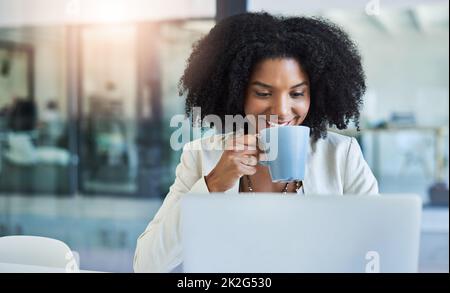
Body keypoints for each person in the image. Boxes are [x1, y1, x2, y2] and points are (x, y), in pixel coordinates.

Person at [134, 12, 379, 272]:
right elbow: (148, 265)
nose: (282, 110)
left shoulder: (342, 156)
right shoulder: (201, 156)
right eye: (263, 93)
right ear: (237, 92)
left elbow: (380, 251)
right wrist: (212, 184)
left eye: (297, 93)